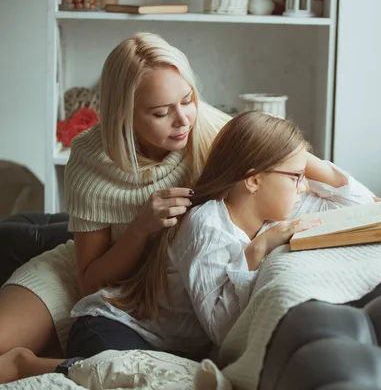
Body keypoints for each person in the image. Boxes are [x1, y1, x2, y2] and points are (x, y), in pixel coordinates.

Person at [1, 111, 381, 383]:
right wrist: (260, 251)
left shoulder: (274, 199)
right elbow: (224, 330)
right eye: (295, 175)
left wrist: (337, 179)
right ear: (254, 179)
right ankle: (29, 365)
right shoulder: (206, 226)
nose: (305, 185)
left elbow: (348, 201)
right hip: (113, 327)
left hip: (170, 339)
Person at [0, 31, 231, 383]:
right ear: (125, 114)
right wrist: (140, 228)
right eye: (161, 112)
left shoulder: (209, 129)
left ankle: (34, 363)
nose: (183, 119)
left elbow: (289, 156)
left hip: (143, 299)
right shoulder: (91, 159)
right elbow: (89, 279)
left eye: (188, 99)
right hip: (83, 274)